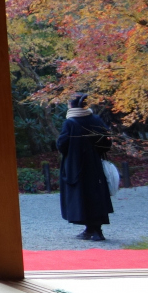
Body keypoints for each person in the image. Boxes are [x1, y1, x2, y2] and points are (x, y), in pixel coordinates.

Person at [58, 93, 113, 241]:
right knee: (95, 194)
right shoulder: (95, 119)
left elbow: (62, 144)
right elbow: (106, 141)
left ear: (72, 105)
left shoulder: (70, 122)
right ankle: (94, 230)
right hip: (94, 164)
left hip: (75, 165)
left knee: (81, 196)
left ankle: (91, 229)